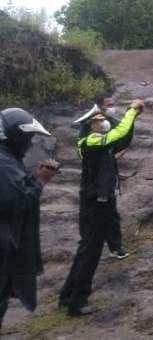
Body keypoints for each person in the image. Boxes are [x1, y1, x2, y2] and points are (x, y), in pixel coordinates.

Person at [59, 99, 144, 317]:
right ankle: (77, 302)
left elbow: (124, 137)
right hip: (97, 201)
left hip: (96, 199)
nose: (104, 122)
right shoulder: (91, 141)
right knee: (91, 251)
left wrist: (132, 118)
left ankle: (67, 295)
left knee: (85, 248)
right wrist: (131, 110)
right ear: (90, 127)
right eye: (99, 120)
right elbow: (118, 133)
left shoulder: (98, 142)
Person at [0, 108, 59, 332]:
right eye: (27, 138)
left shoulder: (7, 158)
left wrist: (33, 177)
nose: (29, 143)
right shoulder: (3, 162)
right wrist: (40, 181)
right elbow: (12, 201)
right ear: (15, 136)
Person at [75, 96, 129, 260]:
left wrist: (112, 155)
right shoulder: (88, 125)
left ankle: (115, 247)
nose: (113, 108)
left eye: (114, 104)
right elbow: (81, 150)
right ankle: (86, 247)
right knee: (88, 215)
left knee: (112, 215)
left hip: (107, 177)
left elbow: (121, 139)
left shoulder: (112, 122)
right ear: (100, 106)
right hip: (92, 179)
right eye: (109, 105)